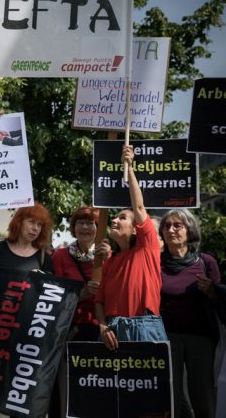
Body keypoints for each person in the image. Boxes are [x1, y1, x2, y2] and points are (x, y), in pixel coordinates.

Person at [94, 145, 167, 349]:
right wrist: (103, 326)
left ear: (136, 229)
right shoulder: (111, 262)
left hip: (144, 327)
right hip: (111, 332)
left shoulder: (147, 247)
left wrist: (130, 167)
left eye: (122, 217)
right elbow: (99, 301)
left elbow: (139, 207)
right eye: (115, 217)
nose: (114, 220)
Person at [159, 208, 221, 418]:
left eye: (177, 225)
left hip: (200, 339)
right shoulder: (156, 262)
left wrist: (211, 292)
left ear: (189, 230)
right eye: (167, 226)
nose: (171, 230)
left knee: (202, 396)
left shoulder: (206, 262)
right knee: (170, 398)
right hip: (166, 338)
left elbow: (220, 301)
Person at [49, 206, 100, 418]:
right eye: (80, 222)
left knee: (93, 385)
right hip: (69, 330)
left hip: (99, 331)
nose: (85, 227)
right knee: (65, 385)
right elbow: (56, 297)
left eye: (90, 223)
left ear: (98, 227)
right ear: (73, 227)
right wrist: (83, 294)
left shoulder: (107, 256)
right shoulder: (61, 256)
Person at [0, 203, 53, 278]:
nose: (35, 228)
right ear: (19, 223)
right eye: (31, 222)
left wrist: (40, 278)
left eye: (39, 224)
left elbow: (50, 285)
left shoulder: (44, 258)